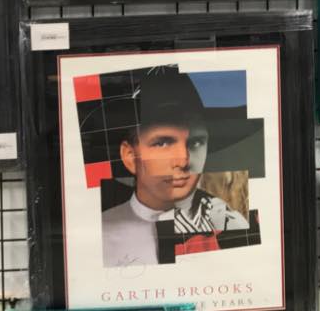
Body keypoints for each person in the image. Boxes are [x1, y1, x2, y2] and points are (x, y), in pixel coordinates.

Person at [101, 66, 249, 267]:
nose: (184, 161)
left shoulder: (230, 223)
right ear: (130, 157)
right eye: (163, 143)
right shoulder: (99, 234)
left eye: (196, 142)